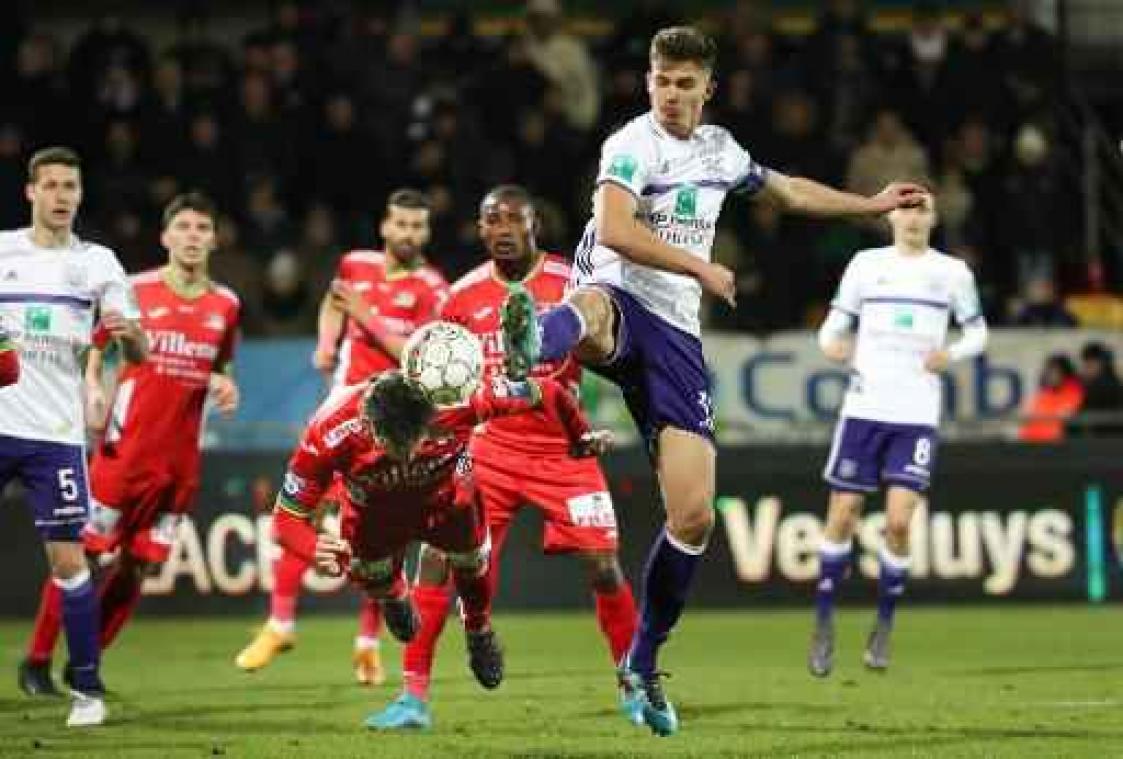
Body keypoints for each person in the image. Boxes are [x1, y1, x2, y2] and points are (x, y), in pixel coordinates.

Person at [499, 26, 925, 736]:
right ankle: (531, 345)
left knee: (694, 515)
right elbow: (614, 231)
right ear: (648, 82)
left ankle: (642, 660)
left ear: (707, 89)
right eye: (661, 81)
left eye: (684, 83)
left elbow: (787, 192)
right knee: (595, 310)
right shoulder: (630, 144)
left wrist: (871, 205)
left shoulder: (721, 151)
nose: (670, 94)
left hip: (675, 336)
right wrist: (700, 266)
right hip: (620, 292)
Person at [367, 185, 638, 731]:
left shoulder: (572, 282)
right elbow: (437, 379)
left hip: (564, 449)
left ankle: (637, 685)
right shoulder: (462, 297)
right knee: (437, 556)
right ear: (480, 229)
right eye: (493, 220)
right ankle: (412, 697)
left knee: (603, 565)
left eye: (515, 218)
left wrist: (605, 423)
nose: (504, 229)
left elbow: (612, 347)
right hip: (488, 449)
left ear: (536, 224)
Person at [271, 368, 610, 728]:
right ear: (371, 427)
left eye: (420, 438)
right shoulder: (328, 431)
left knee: (472, 563)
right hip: (376, 517)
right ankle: (393, 595)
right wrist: (312, 549)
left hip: (447, 505)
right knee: (369, 574)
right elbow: (285, 517)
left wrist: (579, 435)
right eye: (399, 446)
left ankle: (478, 629)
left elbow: (547, 390)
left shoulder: (459, 397)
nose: (410, 454)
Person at [22, 191, 241, 688]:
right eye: (183, 227)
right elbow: (93, 344)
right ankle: (36, 659)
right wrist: (93, 385)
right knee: (81, 556)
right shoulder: (135, 289)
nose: (192, 237)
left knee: (138, 567)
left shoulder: (226, 304)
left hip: (179, 468)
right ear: (165, 237)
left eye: (202, 229)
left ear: (214, 240)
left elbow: (223, 363)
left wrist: (225, 382)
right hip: (124, 456)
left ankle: (85, 664)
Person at [236, 189, 449, 685]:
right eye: (401, 223)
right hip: (344, 411)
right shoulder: (356, 264)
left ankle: (367, 646)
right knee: (304, 511)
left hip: (394, 425)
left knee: (382, 532)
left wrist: (366, 316)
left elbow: (421, 359)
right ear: (385, 226)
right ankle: (280, 623)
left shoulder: (434, 289)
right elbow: (334, 305)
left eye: (417, 226)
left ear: (427, 232)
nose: (408, 234)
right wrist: (327, 342)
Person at [809, 190, 987, 676]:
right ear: (889, 216)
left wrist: (951, 353)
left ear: (934, 216)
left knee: (900, 523)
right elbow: (832, 328)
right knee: (843, 513)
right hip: (865, 409)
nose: (912, 215)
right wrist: (831, 345)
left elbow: (977, 333)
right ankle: (824, 621)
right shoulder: (866, 265)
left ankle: (884, 623)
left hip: (916, 413)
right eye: (904, 207)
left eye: (921, 207)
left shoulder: (952, 273)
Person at [4, 146, 147, 727]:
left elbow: (140, 351)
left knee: (70, 561)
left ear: (81, 195)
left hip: (55, 436)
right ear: (31, 192)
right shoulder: (4, 252)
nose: (62, 195)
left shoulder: (97, 263)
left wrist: (128, 333)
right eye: (52, 185)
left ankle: (87, 690)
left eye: (71, 186)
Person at [1018, 354, 1083, 443]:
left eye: (1055, 372)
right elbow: (1027, 418)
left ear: (1064, 374)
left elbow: (1063, 418)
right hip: (1030, 442)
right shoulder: (1042, 394)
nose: (1051, 376)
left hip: (1054, 444)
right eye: (1049, 371)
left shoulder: (1074, 393)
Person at [1074, 342, 1123, 436]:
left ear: (1101, 365)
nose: (1084, 370)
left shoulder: (1099, 387)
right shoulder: (1115, 383)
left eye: (1088, 365)